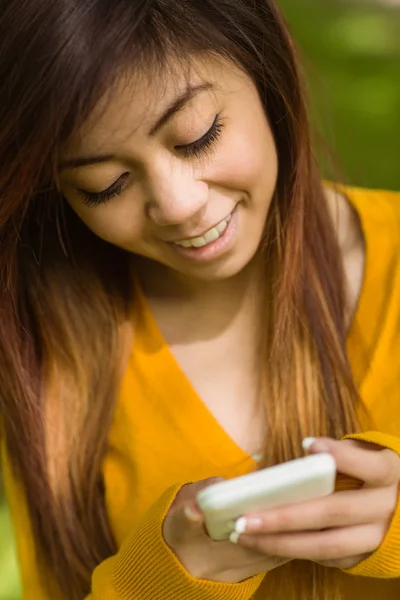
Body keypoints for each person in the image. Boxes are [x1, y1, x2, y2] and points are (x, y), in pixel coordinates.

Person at [0, 0, 399, 599]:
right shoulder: (47, 349)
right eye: (104, 185)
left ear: (262, 68)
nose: (179, 205)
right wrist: (159, 582)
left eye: (196, 136)